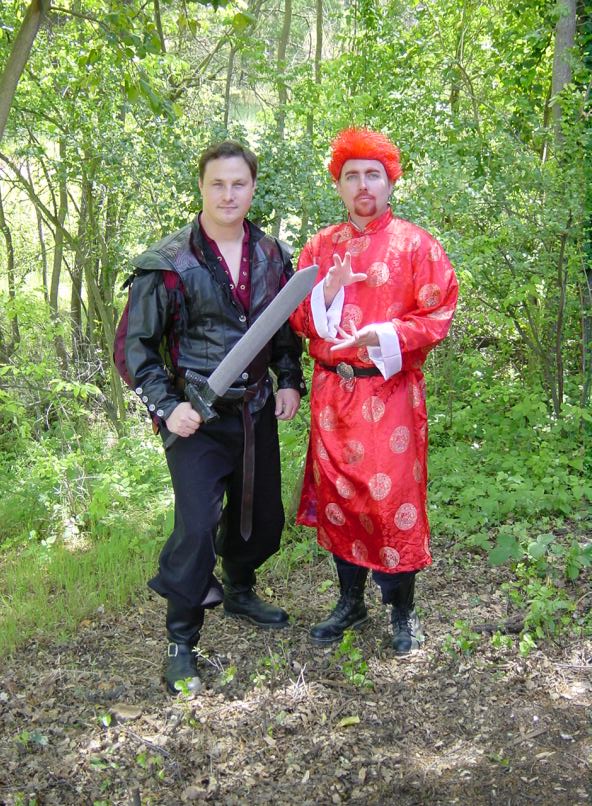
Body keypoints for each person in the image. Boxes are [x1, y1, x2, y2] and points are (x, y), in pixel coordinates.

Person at [125, 141, 305, 693]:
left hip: (256, 410)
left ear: (253, 188)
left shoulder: (272, 256)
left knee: (261, 516)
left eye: (239, 184)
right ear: (201, 187)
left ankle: (241, 589)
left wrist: (289, 379)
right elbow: (135, 350)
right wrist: (169, 406)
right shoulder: (168, 263)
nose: (229, 195)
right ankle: (181, 640)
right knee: (198, 525)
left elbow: (282, 328)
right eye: (218, 184)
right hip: (195, 418)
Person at [290, 128, 458, 655]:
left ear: (390, 182)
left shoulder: (417, 245)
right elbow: (296, 318)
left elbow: (437, 314)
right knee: (341, 503)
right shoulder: (319, 247)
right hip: (332, 399)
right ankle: (350, 602)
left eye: (373, 175)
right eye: (352, 176)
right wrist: (328, 290)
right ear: (338, 184)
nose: (363, 185)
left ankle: (402, 611)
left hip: (389, 395)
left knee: (391, 505)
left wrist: (383, 335)